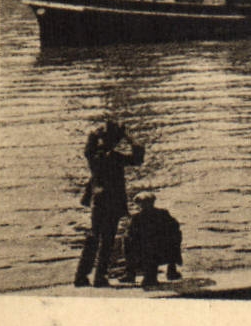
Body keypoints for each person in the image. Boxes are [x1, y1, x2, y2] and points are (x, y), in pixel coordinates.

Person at [74, 118, 145, 287]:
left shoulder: (93, 156)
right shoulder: (116, 157)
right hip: (113, 201)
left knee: (93, 236)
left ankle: (81, 275)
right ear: (115, 141)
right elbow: (138, 156)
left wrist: (98, 133)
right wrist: (128, 136)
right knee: (107, 240)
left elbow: (89, 144)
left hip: (98, 201)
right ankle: (100, 276)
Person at [121, 191, 184, 289]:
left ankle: (131, 273)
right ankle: (171, 269)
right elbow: (175, 228)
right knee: (174, 236)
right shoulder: (163, 213)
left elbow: (130, 236)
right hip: (163, 252)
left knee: (126, 240)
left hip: (145, 253)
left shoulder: (137, 218)